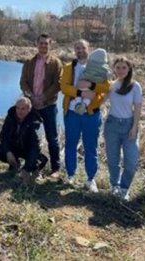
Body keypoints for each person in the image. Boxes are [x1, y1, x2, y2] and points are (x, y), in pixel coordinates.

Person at [60, 39, 111, 192]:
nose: (80, 50)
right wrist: (80, 92)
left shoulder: (100, 67)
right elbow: (64, 87)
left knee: (91, 146)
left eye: (83, 47)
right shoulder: (69, 67)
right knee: (70, 144)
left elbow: (107, 87)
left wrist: (92, 86)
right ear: (74, 50)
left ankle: (91, 179)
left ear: (88, 48)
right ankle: (70, 175)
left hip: (91, 114)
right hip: (72, 112)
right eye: (77, 47)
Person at [20, 33, 62, 175]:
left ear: (50, 45)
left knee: (52, 138)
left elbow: (58, 84)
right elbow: (23, 82)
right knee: (30, 135)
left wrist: (43, 97)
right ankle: (31, 165)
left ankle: (55, 168)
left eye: (46, 43)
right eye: (41, 43)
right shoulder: (29, 62)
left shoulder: (56, 63)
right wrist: (31, 96)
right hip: (31, 106)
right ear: (36, 44)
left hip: (48, 105)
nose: (43, 45)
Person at [104, 57, 142, 201]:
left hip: (129, 125)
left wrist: (134, 127)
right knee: (113, 159)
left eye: (124, 67)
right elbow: (100, 100)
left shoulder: (135, 86)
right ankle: (115, 185)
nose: (120, 70)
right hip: (112, 125)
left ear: (129, 69)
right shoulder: (111, 85)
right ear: (114, 69)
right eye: (118, 67)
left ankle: (125, 188)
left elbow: (138, 108)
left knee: (131, 161)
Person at [0, 97, 48, 184]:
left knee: (34, 164)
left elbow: (35, 146)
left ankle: (33, 166)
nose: (19, 111)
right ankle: (15, 163)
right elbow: (3, 135)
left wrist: (26, 169)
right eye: (18, 108)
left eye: (23, 109)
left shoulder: (34, 121)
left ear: (29, 110)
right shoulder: (11, 115)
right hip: (15, 146)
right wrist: (8, 152)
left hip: (28, 149)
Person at [74, 48, 112, 114]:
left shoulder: (88, 64)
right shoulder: (104, 68)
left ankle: (78, 103)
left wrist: (89, 84)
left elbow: (106, 88)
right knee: (89, 97)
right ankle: (84, 105)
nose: (80, 50)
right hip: (92, 92)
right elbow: (109, 81)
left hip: (82, 86)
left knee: (79, 94)